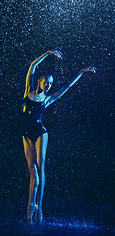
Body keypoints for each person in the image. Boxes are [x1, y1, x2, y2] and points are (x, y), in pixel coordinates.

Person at [21, 50, 96, 223]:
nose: (48, 86)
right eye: (46, 82)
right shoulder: (28, 92)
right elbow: (32, 66)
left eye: (50, 84)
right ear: (39, 81)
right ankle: (29, 208)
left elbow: (66, 87)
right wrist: (47, 53)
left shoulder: (47, 99)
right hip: (25, 134)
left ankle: (39, 208)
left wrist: (81, 72)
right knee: (32, 171)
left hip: (40, 133)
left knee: (40, 168)